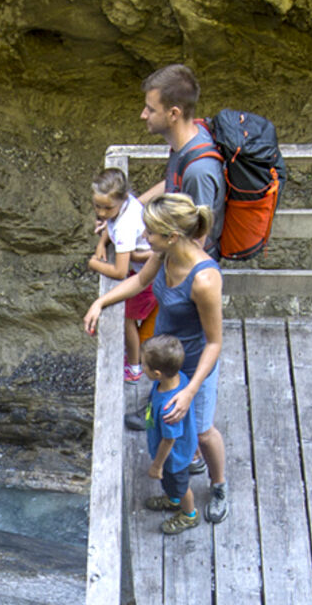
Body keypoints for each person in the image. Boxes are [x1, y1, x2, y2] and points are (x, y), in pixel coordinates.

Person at [83, 193, 228, 523]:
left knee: (203, 431)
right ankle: (180, 480)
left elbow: (215, 343)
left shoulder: (204, 279)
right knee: (170, 423)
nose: (145, 237)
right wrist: (101, 303)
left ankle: (219, 484)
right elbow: (139, 280)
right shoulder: (164, 254)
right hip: (164, 358)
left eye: (150, 232)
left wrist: (190, 391)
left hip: (193, 365)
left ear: (173, 235)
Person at [134, 64, 225, 256]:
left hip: (188, 274)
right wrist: (129, 207)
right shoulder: (189, 140)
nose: (143, 115)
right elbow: (174, 181)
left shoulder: (199, 171)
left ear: (174, 113)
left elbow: (196, 244)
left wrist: (142, 256)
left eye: (151, 110)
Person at [86, 167, 155, 383]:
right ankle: (134, 358)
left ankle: (134, 367)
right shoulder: (128, 205)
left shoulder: (126, 225)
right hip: (144, 269)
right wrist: (102, 242)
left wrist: (94, 264)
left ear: (122, 199)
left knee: (128, 321)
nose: (102, 213)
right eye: (97, 206)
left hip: (145, 278)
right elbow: (110, 223)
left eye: (107, 208)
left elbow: (120, 271)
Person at [138, 335, 199, 534]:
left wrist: (157, 465)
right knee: (172, 485)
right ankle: (173, 500)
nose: (141, 367)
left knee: (181, 486)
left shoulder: (169, 408)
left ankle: (189, 515)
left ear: (157, 373)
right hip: (177, 448)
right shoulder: (178, 378)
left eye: (143, 365)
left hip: (174, 457)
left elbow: (169, 438)